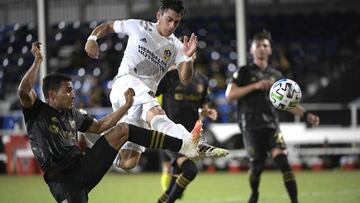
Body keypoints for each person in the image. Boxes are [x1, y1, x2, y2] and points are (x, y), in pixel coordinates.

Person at [18, 42, 201, 203]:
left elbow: (100, 127)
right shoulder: (38, 112)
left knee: (123, 129)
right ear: (51, 95)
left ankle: (183, 145)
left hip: (84, 165)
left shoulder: (72, 114)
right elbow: (24, 91)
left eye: (72, 90)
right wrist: (37, 62)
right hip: (63, 181)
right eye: (67, 91)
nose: (73, 95)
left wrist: (126, 106)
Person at [85, 0, 229, 170]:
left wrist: (188, 58)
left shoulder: (176, 46)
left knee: (128, 162)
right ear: (158, 15)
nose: (172, 25)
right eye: (169, 19)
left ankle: (98, 137)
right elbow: (109, 26)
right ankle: (192, 144)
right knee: (157, 113)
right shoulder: (139, 26)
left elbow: (185, 79)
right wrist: (92, 38)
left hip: (144, 97)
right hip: (126, 84)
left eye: (176, 22)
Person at [225, 31, 320, 203]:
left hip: (272, 126)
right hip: (251, 127)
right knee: (257, 168)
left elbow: (287, 103)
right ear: (251, 50)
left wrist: (306, 114)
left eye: (265, 46)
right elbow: (230, 95)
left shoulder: (276, 76)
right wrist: (255, 86)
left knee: (284, 162)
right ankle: (254, 192)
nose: (261, 49)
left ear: (270, 50)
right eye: (258, 45)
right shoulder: (243, 72)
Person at [156, 54, 218, 203]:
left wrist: (207, 111)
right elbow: (151, 94)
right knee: (190, 171)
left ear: (195, 55)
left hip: (189, 137)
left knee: (175, 179)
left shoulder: (202, 80)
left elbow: (204, 104)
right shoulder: (168, 77)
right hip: (169, 135)